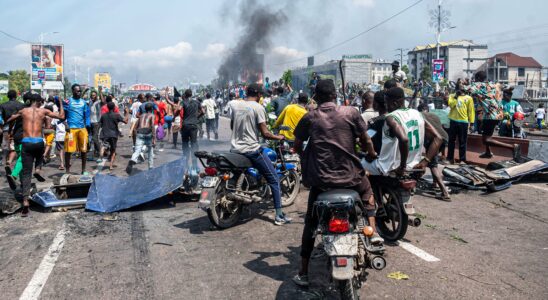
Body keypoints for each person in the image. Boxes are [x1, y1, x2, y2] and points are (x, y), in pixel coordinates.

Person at [291, 79, 381, 287]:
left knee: (311, 224)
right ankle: (374, 232)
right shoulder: (351, 113)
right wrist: (371, 153)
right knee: (367, 192)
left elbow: (296, 146)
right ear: (335, 95)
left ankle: (304, 272)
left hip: (321, 182)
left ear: (316, 97)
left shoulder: (309, 117)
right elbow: (366, 140)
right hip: (351, 178)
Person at [228, 83, 289, 225]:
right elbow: (265, 133)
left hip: (235, 149)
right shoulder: (258, 107)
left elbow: (233, 126)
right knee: (274, 178)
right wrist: (279, 137)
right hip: (251, 150)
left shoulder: (236, 105)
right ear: (259, 95)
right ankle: (279, 215)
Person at [5, 94, 64, 216]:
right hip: (38, 142)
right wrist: (61, 104)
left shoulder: (23, 111)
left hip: (26, 143)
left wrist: (15, 115)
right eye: (41, 101)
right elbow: (61, 116)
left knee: (26, 173)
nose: (41, 103)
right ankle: (37, 169)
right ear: (37, 101)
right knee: (40, 154)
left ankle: (25, 201)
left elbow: (9, 119)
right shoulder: (43, 111)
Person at [362, 87, 442, 176]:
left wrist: (402, 167)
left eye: (387, 103)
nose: (386, 106)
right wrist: (425, 161)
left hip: (388, 167)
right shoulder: (417, 114)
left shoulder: (391, 117)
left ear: (395, 103)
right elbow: (438, 138)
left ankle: (367, 190)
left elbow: (404, 140)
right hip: (414, 166)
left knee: (359, 165)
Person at [472, 71, 521, 160]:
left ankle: (512, 147)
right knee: (485, 134)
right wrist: (508, 90)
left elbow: (464, 89)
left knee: (487, 139)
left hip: (491, 115)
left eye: (475, 79)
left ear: (478, 79)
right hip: (495, 114)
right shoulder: (495, 85)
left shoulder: (479, 86)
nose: (475, 81)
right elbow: (509, 87)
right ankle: (488, 152)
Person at [417, 103, 451, 201]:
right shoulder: (434, 115)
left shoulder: (419, 116)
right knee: (433, 160)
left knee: (432, 165)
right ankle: (434, 184)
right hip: (445, 138)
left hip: (433, 141)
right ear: (427, 109)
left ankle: (445, 192)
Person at [63, 84, 91, 174]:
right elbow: (62, 116)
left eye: (80, 91)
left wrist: (87, 126)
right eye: (77, 91)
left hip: (82, 129)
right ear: (73, 91)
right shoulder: (68, 102)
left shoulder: (84, 102)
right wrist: (65, 124)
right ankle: (67, 171)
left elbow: (86, 116)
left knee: (84, 150)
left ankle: (83, 170)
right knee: (68, 151)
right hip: (71, 130)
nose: (79, 92)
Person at [446, 87, 475, 163]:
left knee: (462, 141)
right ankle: (450, 158)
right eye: (459, 87)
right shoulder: (452, 96)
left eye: (462, 88)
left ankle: (462, 159)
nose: (460, 90)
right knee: (451, 141)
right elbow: (451, 105)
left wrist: (471, 123)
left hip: (463, 122)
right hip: (453, 121)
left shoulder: (469, 98)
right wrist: (456, 97)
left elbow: (471, 111)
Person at [99, 101, 128, 171]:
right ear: (114, 107)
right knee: (113, 150)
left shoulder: (103, 115)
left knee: (103, 146)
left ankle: (102, 152)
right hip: (113, 135)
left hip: (105, 134)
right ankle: (111, 165)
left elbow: (100, 124)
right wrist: (126, 113)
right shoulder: (116, 115)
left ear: (107, 107)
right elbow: (126, 121)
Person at [126, 102, 155, 174]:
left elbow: (135, 127)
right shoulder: (152, 115)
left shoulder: (141, 116)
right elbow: (153, 126)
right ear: (151, 109)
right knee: (150, 151)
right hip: (148, 134)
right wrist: (154, 138)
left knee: (137, 151)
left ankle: (133, 160)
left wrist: (136, 135)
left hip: (140, 133)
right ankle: (150, 167)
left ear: (145, 109)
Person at [180, 89, 203, 168]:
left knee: (185, 144)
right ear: (191, 94)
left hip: (185, 125)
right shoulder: (197, 102)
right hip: (193, 125)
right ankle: (195, 164)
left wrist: (175, 116)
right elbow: (203, 111)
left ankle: (186, 164)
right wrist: (197, 117)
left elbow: (178, 109)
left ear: (185, 95)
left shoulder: (183, 102)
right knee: (194, 144)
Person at [89, 88, 104, 159]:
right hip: (91, 122)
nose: (93, 97)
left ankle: (101, 151)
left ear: (96, 96)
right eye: (92, 95)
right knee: (93, 139)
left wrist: (100, 92)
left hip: (97, 122)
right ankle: (96, 153)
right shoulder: (90, 102)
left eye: (94, 95)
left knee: (95, 138)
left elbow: (103, 101)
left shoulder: (98, 102)